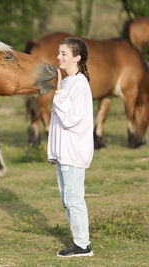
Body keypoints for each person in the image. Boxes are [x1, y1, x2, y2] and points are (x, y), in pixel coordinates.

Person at [47, 37, 94, 257]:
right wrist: (53, 152)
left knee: (74, 200)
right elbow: (56, 122)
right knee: (67, 200)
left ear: (77, 57)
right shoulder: (66, 82)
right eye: (58, 53)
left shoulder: (79, 83)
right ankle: (78, 240)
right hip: (63, 153)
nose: (59, 57)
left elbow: (71, 119)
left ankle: (83, 245)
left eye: (64, 54)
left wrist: (58, 92)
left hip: (74, 152)